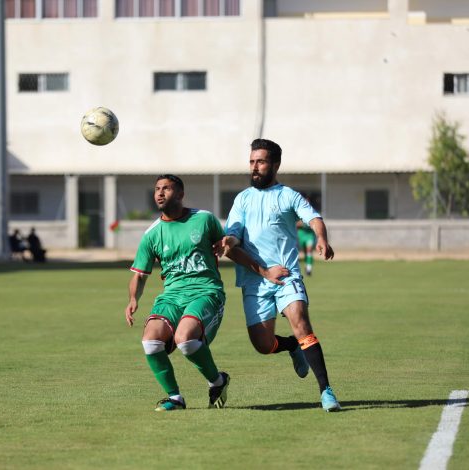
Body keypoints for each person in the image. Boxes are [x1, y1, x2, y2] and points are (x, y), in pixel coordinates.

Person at [215, 138, 341, 412]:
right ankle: (292, 348)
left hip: (285, 276)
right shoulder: (242, 199)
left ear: (275, 164)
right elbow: (233, 240)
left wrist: (321, 238)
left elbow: (314, 218)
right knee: (263, 345)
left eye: (260, 161)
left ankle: (326, 391)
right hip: (254, 280)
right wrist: (229, 243)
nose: (254, 167)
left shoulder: (288, 195)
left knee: (301, 322)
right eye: (251, 162)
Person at [125, 174, 230, 411]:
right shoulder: (152, 233)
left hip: (205, 291)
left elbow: (226, 243)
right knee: (150, 342)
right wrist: (133, 299)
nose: (160, 193)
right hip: (172, 296)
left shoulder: (204, 219)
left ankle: (217, 381)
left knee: (186, 341)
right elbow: (140, 274)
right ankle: (175, 398)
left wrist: (227, 243)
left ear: (181, 194)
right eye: (157, 189)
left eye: (167, 189)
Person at [297, 201, 316, 276]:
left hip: (310, 234)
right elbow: (296, 224)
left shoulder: (312, 212)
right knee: (305, 252)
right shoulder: (298, 212)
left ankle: (309, 268)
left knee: (309, 250)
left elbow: (316, 222)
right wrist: (301, 224)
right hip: (301, 234)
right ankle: (306, 264)